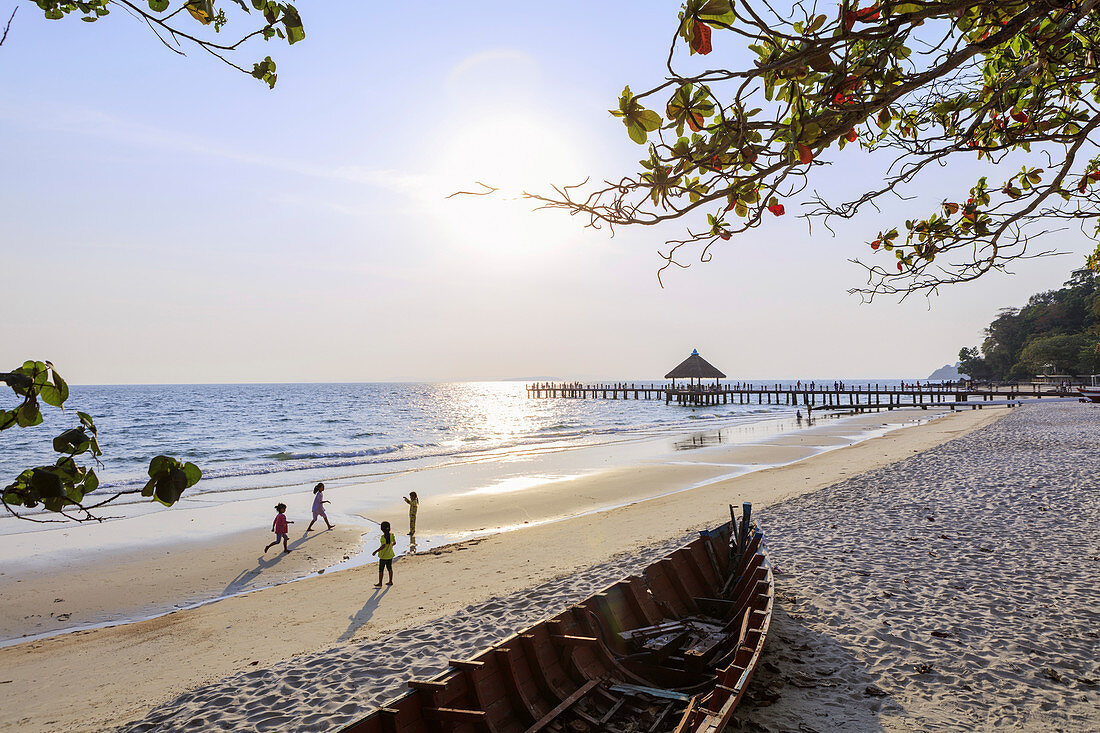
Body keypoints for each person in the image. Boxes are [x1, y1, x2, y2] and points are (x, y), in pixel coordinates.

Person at [372, 521, 397, 587]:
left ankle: (380, 583)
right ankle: (390, 581)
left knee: (381, 570)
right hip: (390, 555)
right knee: (390, 568)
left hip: (383, 556)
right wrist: (390, 546)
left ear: (382, 529)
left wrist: (376, 551)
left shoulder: (383, 537)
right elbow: (394, 543)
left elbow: (383, 546)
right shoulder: (392, 535)